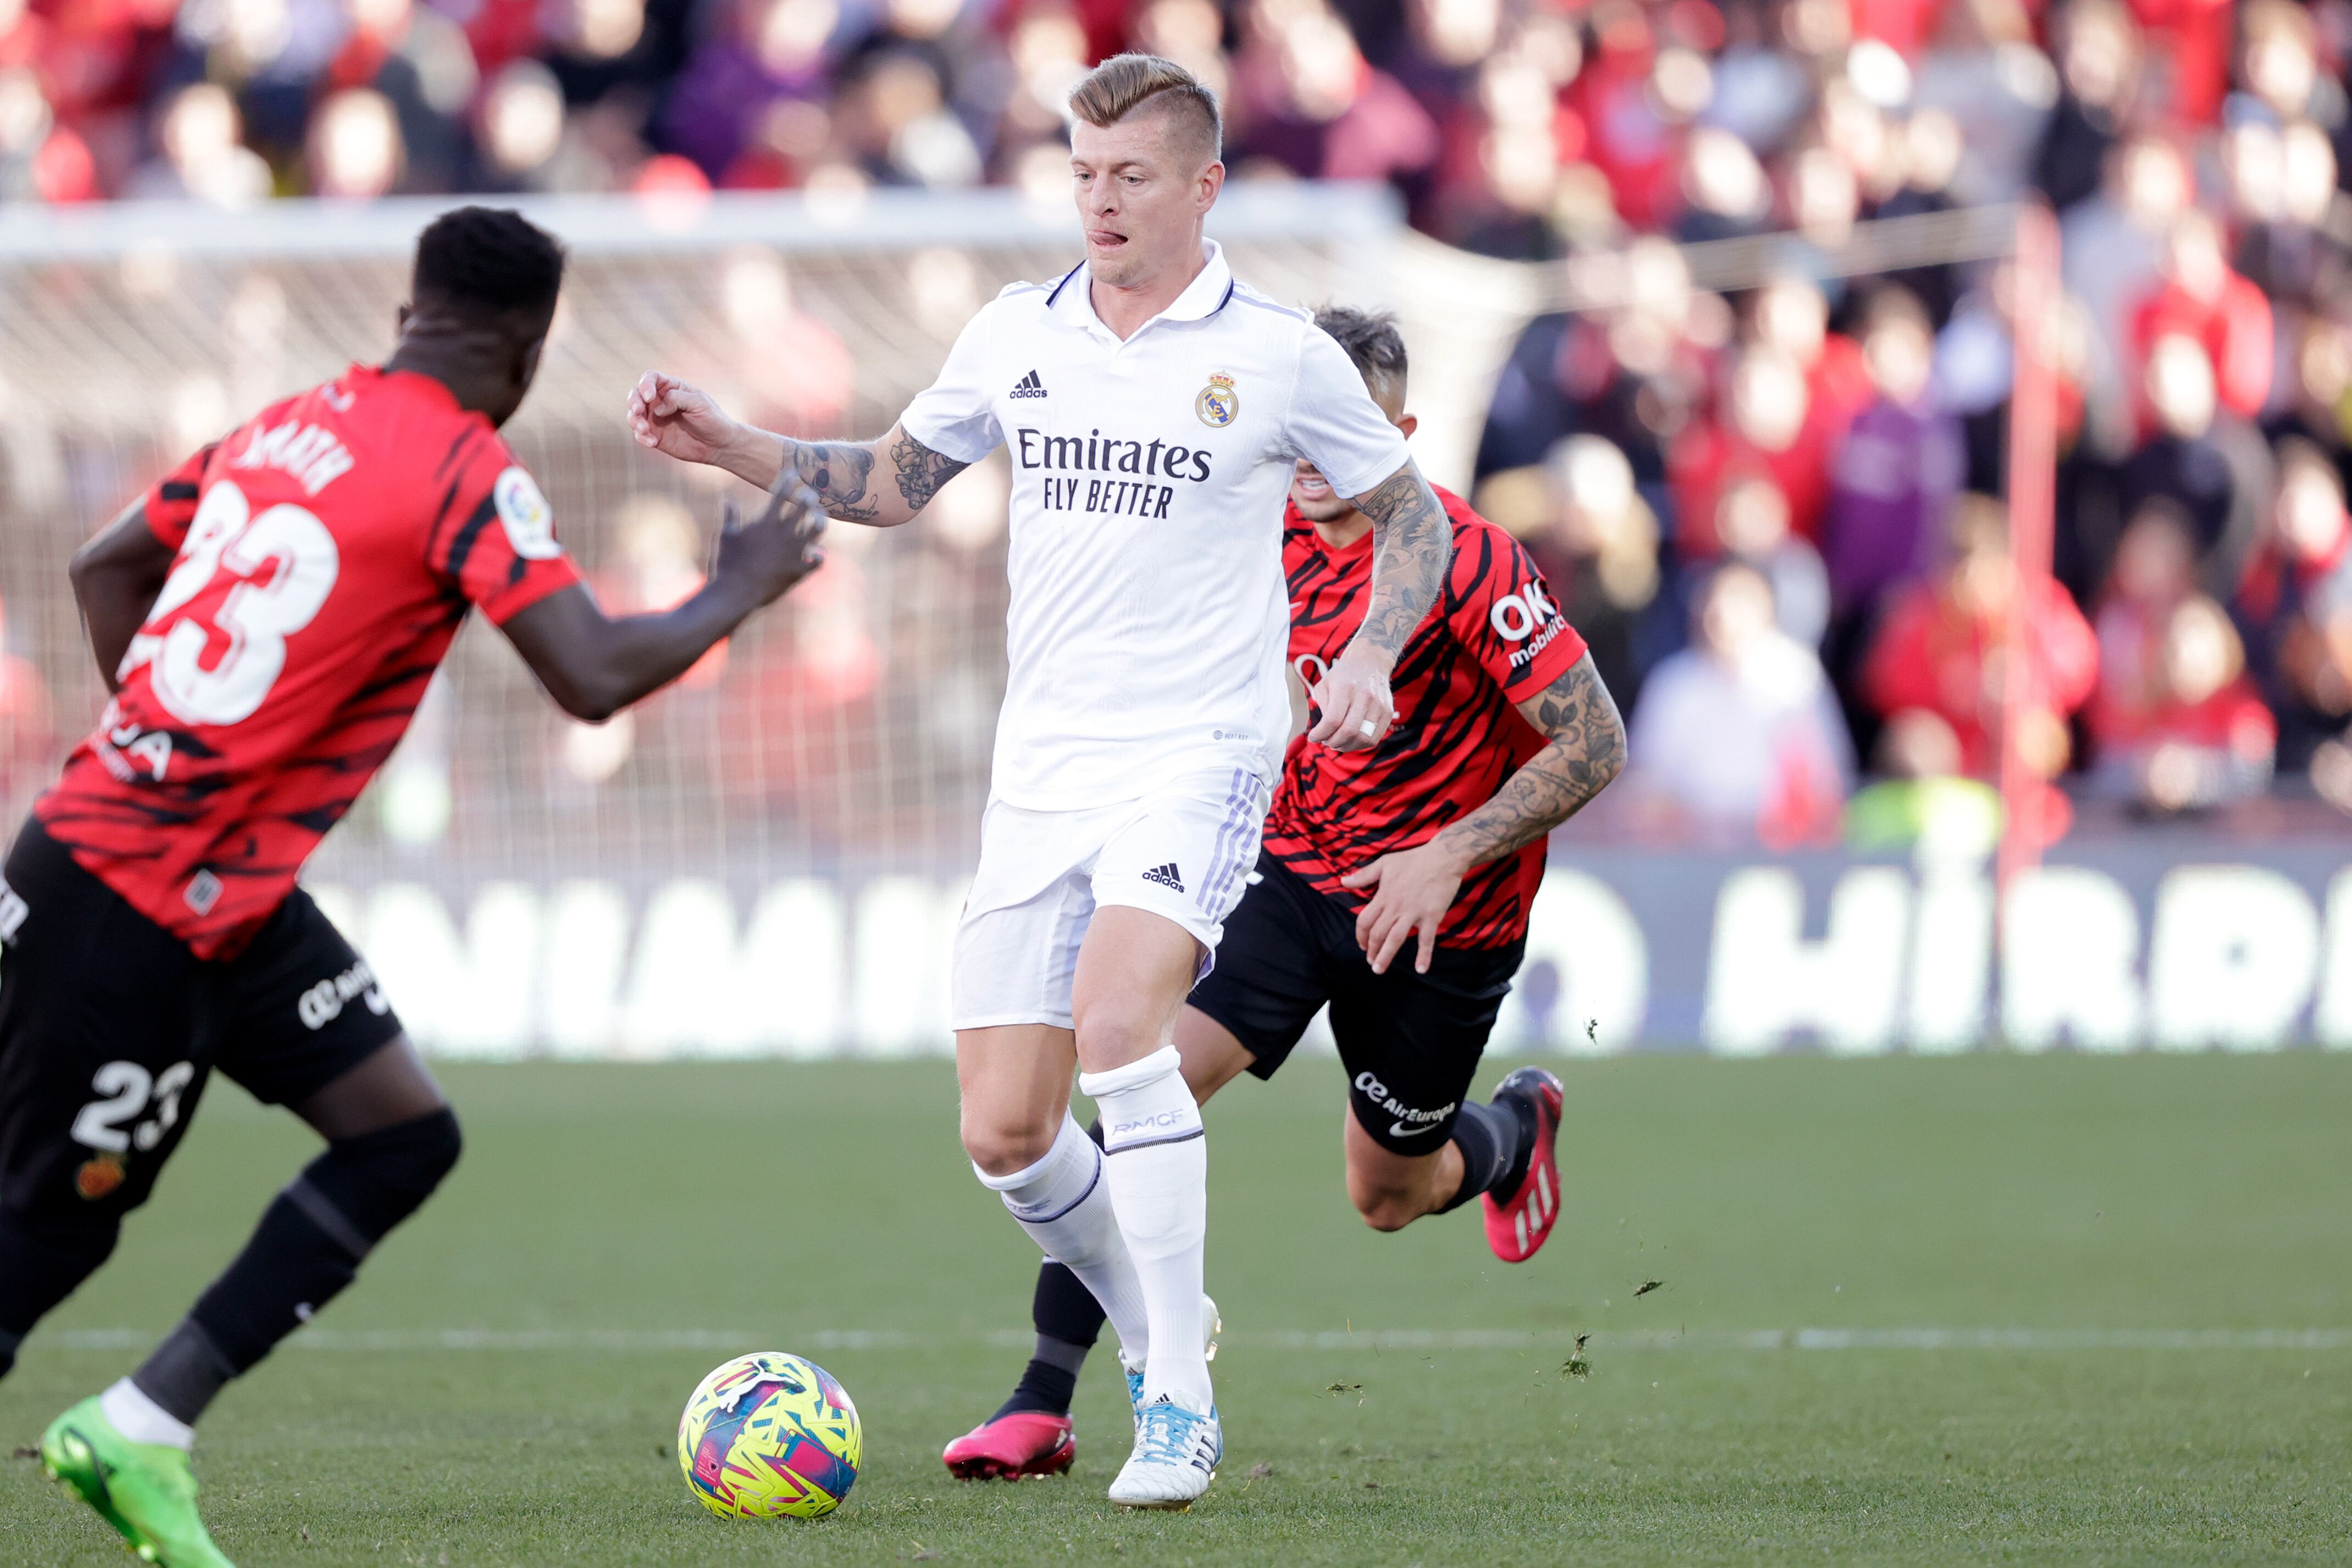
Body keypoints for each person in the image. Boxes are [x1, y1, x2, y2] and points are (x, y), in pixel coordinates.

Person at [625, 54, 1454, 1508]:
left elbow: (1411, 522)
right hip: (1043, 769)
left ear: (1203, 186)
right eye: (1081, 172)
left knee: (1121, 1026)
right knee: (1006, 1132)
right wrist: (731, 446)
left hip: (1197, 754)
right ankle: (1157, 1317)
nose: (1100, 200)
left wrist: (1378, 652)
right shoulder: (1020, 330)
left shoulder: (1278, 353)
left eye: (1130, 175)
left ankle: (1176, 1409)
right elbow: (893, 480)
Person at [1, 207, 828, 1568]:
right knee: (41, 1241)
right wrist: (738, 584)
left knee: (400, 1131)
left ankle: (145, 1426)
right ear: (525, 346)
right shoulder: (463, 469)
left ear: (408, 315)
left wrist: (180, 752)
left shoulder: (286, 425)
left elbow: (108, 564)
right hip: (134, 898)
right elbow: (592, 677)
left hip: (194, 880)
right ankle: (128, 1425)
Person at [938, 306, 1626, 1483]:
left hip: (1441, 913)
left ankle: (1508, 1137)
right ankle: (1045, 1398)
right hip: (1282, 871)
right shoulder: (1240, 535)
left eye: (1341, 432)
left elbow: (1595, 740)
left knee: (1386, 1193)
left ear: (1399, 433)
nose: (1308, 458)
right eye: (1291, 428)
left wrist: (1447, 853)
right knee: (1133, 1077)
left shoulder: (1463, 556)